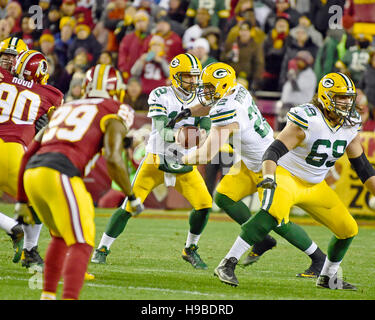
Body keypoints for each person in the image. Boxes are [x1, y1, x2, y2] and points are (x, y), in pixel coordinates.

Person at [214, 72, 373, 290]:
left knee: (348, 229)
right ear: (326, 97)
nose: (347, 102)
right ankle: (227, 263)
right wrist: (269, 176)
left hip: (315, 184)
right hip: (287, 175)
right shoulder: (308, 118)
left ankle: (327, 277)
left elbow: (362, 166)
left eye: (348, 97)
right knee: (273, 213)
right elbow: (273, 151)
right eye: (341, 97)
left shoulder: (350, 122)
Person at [176, 62, 326, 276]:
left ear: (222, 86)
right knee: (225, 196)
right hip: (252, 161)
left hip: (271, 165)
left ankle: (319, 258)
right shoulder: (237, 90)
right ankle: (262, 240)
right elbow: (211, 103)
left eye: (209, 87)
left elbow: (206, 154)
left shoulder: (227, 110)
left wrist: (179, 158)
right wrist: (188, 111)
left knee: (277, 220)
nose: (204, 91)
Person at [17, 64, 143, 300]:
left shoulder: (68, 107)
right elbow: (115, 158)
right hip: (61, 172)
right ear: (118, 90)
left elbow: (28, 153)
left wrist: (21, 199)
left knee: (61, 236)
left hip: (33, 175)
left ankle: (47, 295)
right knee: (83, 241)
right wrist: (132, 196)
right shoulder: (116, 109)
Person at [91, 53, 212, 270]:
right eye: (188, 77)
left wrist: (200, 135)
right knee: (130, 206)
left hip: (184, 162)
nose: (193, 81)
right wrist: (184, 136)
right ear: (175, 76)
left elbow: (206, 127)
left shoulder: (201, 97)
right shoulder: (161, 94)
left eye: (195, 77)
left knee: (204, 205)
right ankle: (102, 248)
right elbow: (161, 130)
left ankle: (190, 249)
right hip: (157, 160)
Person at [0, 41, 63, 267]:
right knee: (38, 202)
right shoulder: (50, 94)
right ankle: (31, 250)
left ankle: (11, 227)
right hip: (13, 152)